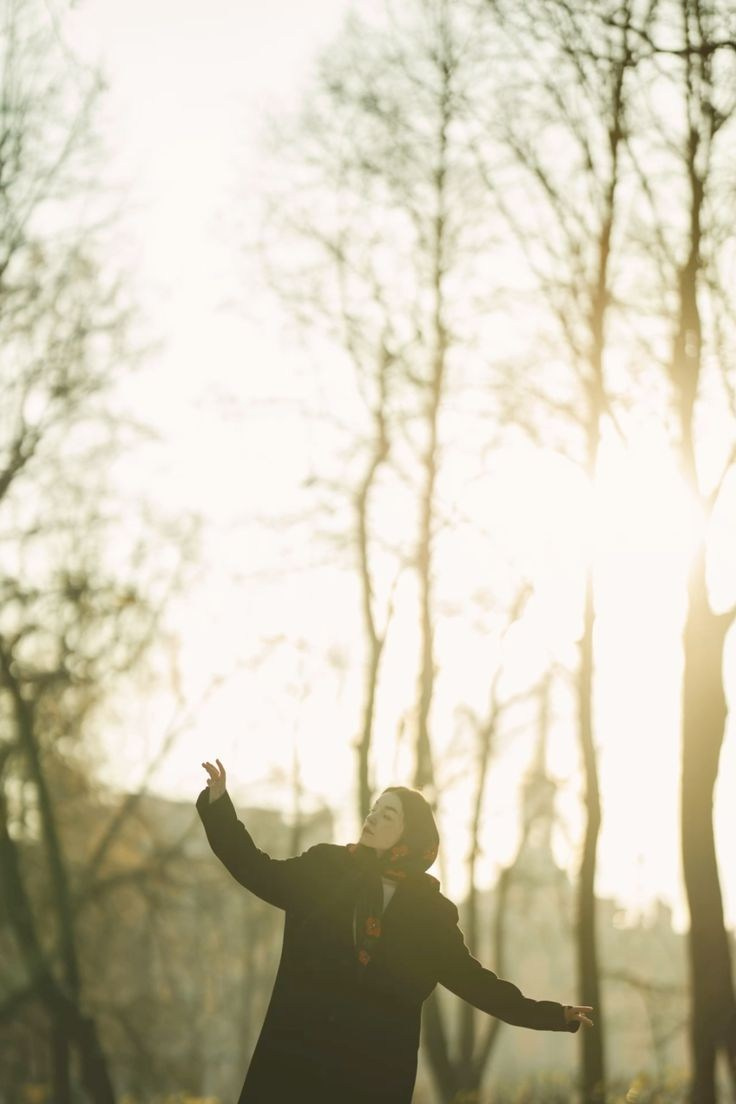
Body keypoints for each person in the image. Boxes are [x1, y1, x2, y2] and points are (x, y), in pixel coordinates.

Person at [197, 758, 593, 1104]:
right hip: (300, 1061)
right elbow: (257, 869)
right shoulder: (325, 869)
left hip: (371, 1078)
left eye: (388, 815)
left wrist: (554, 1015)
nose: (372, 818)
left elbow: (476, 983)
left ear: (410, 833)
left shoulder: (430, 913)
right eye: (374, 810)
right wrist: (219, 808)